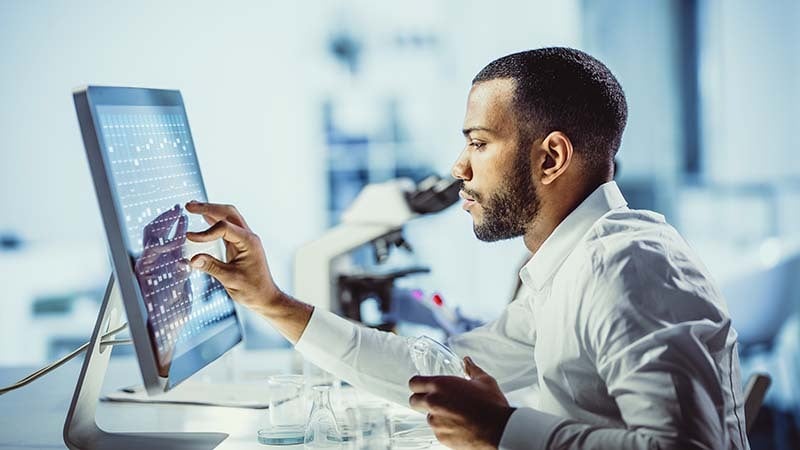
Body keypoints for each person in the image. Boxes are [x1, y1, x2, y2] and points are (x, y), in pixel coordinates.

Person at [183, 48, 749, 450]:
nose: (459, 169)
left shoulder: (624, 268)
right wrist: (271, 301)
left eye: (478, 143)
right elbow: (441, 370)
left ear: (551, 158)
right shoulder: (568, 265)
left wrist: (505, 432)